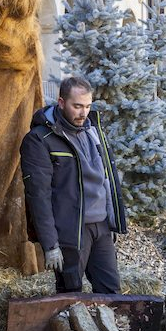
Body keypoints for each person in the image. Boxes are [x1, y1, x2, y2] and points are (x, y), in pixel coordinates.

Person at [20, 76, 127, 293]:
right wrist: (50, 245)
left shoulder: (94, 131)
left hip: (101, 226)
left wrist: (111, 218)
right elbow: (38, 196)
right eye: (77, 106)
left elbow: (106, 179)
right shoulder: (39, 140)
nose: (83, 113)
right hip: (70, 231)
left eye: (88, 106)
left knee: (112, 292)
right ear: (61, 102)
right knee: (70, 296)